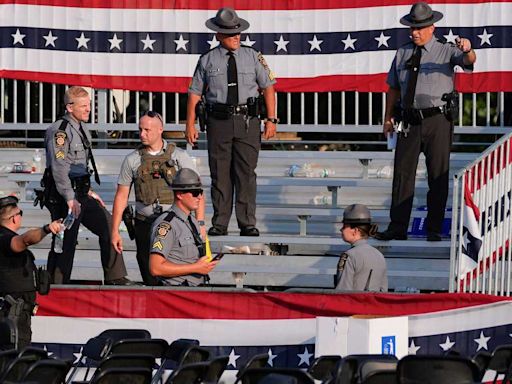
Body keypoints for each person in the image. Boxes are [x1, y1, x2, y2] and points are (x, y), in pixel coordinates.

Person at [376, 2, 476, 242]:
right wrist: (388, 116)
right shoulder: (402, 52)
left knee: (437, 175)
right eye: (412, 28)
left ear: (432, 27)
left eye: (419, 28)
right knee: (402, 175)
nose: (414, 32)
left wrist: (468, 49)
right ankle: (397, 227)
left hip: (437, 120)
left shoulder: (446, 49)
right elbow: (393, 88)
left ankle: (434, 229)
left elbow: (469, 61)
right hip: (408, 120)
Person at [185, 7, 278, 237]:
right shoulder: (207, 59)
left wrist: (271, 119)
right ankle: (220, 223)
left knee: (246, 173)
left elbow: (268, 87)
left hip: (248, 121)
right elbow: (194, 93)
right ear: (218, 35)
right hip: (219, 121)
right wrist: (190, 123)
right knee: (220, 173)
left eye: (238, 33)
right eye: (229, 34)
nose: (236, 37)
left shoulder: (253, 56)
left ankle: (247, 223)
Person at [44, 86, 133, 285]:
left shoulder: (81, 127)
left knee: (109, 225)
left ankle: (115, 277)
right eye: (83, 106)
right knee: (65, 240)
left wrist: (88, 191)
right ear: (69, 107)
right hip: (64, 196)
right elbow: (59, 169)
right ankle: (55, 285)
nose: (88, 110)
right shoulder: (60, 132)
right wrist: (69, 198)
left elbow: (80, 167)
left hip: (81, 192)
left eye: (89, 105)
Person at [111, 111, 206, 286]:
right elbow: (121, 196)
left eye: (147, 130)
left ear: (160, 129)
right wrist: (115, 230)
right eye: (140, 129)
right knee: (149, 275)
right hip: (144, 222)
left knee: (174, 275)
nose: (142, 134)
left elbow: (198, 191)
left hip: (175, 225)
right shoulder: (132, 160)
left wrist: (200, 224)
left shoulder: (179, 157)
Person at [0, 195, 63, 349]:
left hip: (15, 315)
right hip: (11, 316)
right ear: (14, 218)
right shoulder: (4, 238)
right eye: (20, 214)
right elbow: (24, 240)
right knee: (14, 362)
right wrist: (46, 229)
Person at [149, 168, 218, 286]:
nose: (200, 197)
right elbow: (156, 268)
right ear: (180, 195)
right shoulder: (166, 225)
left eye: (200, 192)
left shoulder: (192, 221)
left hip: (194, 290)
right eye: (195, 193)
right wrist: (195, 268)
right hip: (175, 293)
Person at [336, 204, 388, 292]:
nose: (341, 229)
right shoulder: (379, 255)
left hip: (354, 305)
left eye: (344, 226)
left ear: (355, 231)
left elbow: (343, 293)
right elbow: (383, 291)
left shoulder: (349, 256)